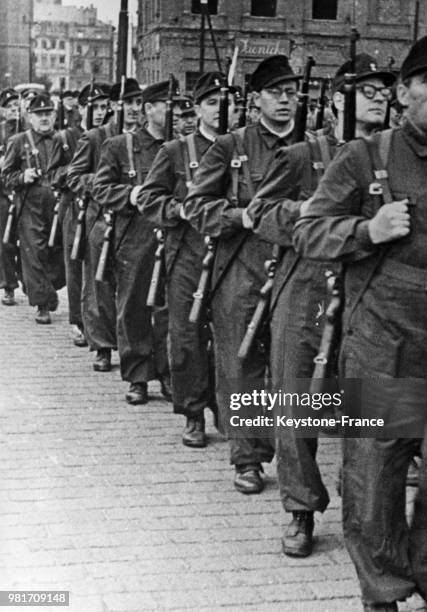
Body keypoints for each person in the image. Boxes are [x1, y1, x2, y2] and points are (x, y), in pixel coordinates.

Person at [293, 33, 427, 612]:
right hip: (385, 337)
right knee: (375, 478)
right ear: (403, 91)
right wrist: (368, 230)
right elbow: (309, 230)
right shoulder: (366, 156)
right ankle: (385, 590)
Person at [246, 55, 395, 557]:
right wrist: (306, 211)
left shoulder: (394, 155)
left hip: (369, 291)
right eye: (367, 91)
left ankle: (373, 518)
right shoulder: (301, 154)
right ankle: (301, 508)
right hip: (307, 285)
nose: (378, 99)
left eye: (383, 92)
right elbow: (259, 212)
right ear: (337, 100)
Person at [184, 55, 300, 494]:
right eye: (276, 93)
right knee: (241, 362)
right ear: (255, 100)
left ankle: (294, 462)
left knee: (293, 371)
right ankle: (248, 458)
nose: (285, 101)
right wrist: (239, 218)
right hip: (241, 267)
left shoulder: (314, 145)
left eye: (291, 93)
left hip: (296, 268)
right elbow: (196, 206)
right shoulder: (231, 147)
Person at [138, 72, 235, 446]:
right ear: (196, 109)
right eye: (211, 102)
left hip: (233, 254)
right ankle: (193, 412)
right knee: (187, 336)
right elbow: (149, 198)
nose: (220, 109)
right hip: (188, 253)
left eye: (227, 102)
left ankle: (229, 411)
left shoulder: (242, 148)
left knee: (232, 336)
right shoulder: (177, 151)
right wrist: (179, 209)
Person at [92, 80, 171, 405]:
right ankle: (138, 376)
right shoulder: (120, 146)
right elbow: (101, 189)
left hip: (172, 235)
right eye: (168, 105)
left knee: (170, 312)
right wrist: (130, 194)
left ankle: (169, 375)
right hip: (134, 235)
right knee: (134, 307)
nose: (175, 112)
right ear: (148, 109)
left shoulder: (184, 147)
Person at [67, 80, 130, 372]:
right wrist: (102, 182)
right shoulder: (95, 137)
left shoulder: (146, 138)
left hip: (133, 220)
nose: (132, 110)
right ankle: (103, 346)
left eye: (137, 103)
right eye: (126, 104)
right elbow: (74, 177)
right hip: (100, 217)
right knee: (98, 286)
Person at [48, 82, 110, 347]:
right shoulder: (65, 138)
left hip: (101, 206)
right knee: (75, 264)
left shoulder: (109, 135)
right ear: (81, 108)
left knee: (98, 265)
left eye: (103, 107)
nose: (98, 113)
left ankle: (101, 323)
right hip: (74, 206)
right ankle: (78, 321)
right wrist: (73, 170)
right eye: (92, 107)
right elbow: (53, 174)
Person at [3, 93, 65, 324]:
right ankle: (42, 303)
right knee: (35, 253)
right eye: (39, 114)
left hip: (58, 203)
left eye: (48, 113)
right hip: (30, 203)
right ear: (30, 117)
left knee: (57, 252)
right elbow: (6, 176)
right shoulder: (19, 141)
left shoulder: (63, 139)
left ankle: (47, 289)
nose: (44, 118)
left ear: (55, 115)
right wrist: (22, 176)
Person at [0, 89, 22, 306]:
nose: (14, 110)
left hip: (24, 193)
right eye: (10, 107)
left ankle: (28, 278)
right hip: (3, 194)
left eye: (17, 106)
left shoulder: (26, 132)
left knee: (28, 241)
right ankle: (8, 286)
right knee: (5, 242)